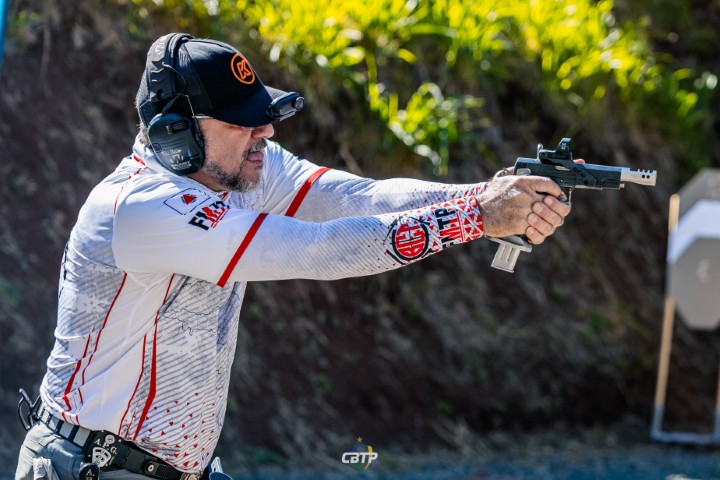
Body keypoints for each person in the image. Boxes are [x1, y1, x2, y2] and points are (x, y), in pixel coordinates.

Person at [15, 33, 573, 480]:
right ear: (176, 134)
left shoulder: (236, 166)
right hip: (89, 466)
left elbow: (359, 198)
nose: (264, 130)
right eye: (241, 121)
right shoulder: (140, 207)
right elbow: (320, 249)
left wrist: (490, 196)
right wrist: (477, 217)